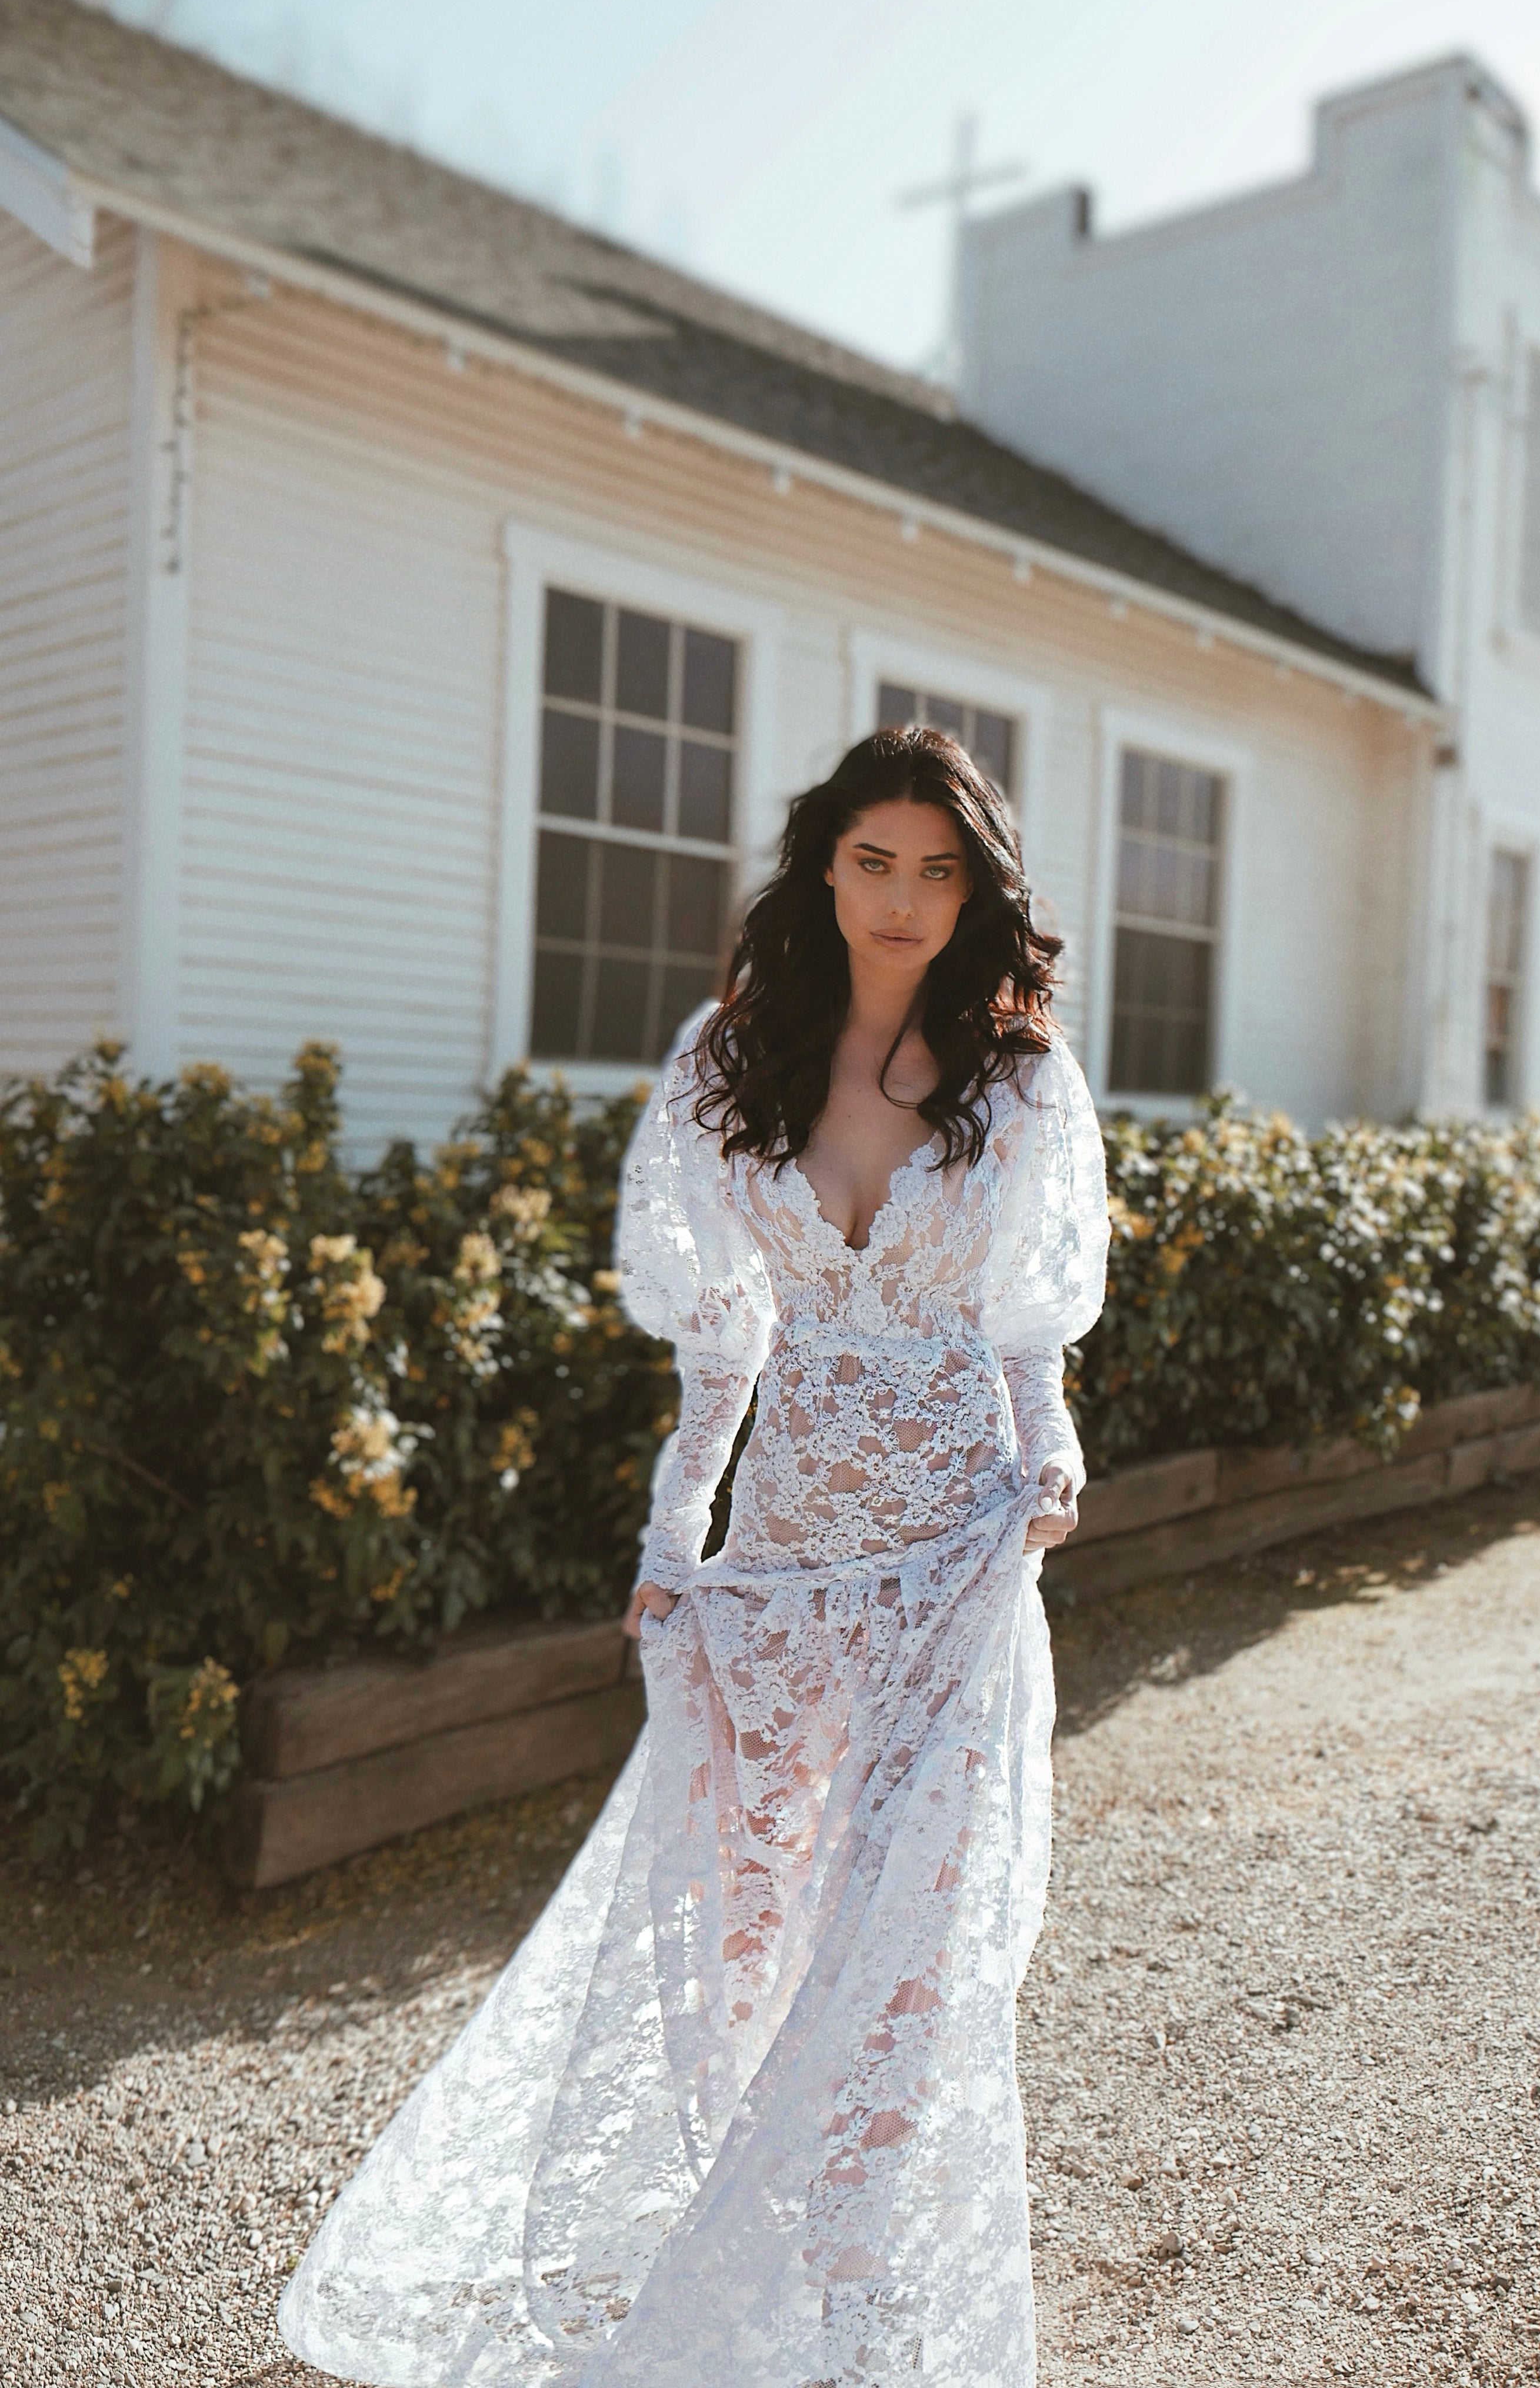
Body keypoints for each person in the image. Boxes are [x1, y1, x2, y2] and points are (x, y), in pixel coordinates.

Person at [278, 727, 1110, 2387]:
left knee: (917, 1942)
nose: (902, 898)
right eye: (873, 860)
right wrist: (682, 1532)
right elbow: (723, 1344)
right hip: (792, 1562)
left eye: (939, 870)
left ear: (977, 892)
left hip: (956, 1556)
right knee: (766, 1932)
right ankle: (757, 2271)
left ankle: (869, 2298)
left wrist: (1055, 1443)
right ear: (822, 865)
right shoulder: (732, 1057)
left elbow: (1029, 1319)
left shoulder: (1021, 1078)